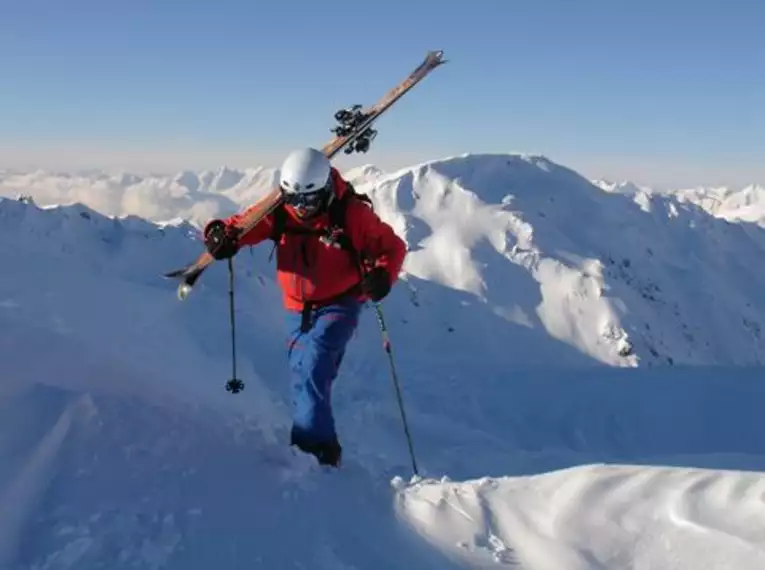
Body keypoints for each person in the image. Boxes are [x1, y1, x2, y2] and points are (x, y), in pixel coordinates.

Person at [202, 148, 407, 467]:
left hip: (341, 300)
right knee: (301, 376)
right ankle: (316, 443)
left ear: (324, 189)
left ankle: (315, 449)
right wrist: (220, 234)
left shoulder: (351, 214)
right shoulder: (282, 209)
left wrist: (383, 275)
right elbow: (243, 225)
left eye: (308, 201)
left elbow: (391, 247)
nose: (301, 208)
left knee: (314, 367)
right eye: (294, 199)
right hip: (296, 307)